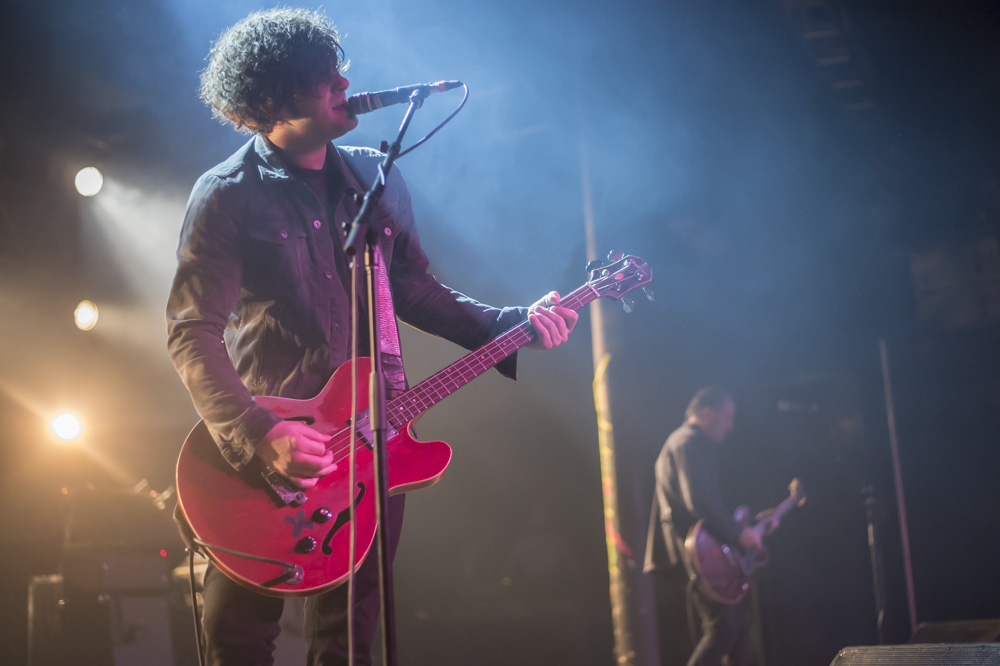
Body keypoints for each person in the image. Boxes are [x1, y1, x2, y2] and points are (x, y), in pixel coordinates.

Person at [165, 8, 577, 665]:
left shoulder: (370, 177)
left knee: (351, 639)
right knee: (237, 636)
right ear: (273, 95)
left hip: (373, 441)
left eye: (338, 70)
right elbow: (191, 331)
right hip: (278, 447)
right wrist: (257, 435)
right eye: (324, 77)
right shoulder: (226, 194)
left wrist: (511, 324)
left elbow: (413, 288)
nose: (345, 80)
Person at [644, 388, 768, 666]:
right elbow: (699, 500)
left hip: (697, 553)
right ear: (708, 413)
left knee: (735, 629)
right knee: (724, 630)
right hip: (701, 557)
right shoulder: (689, 442)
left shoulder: (678, 442)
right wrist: (738, 534)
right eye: (727, 417)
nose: (731, 425)